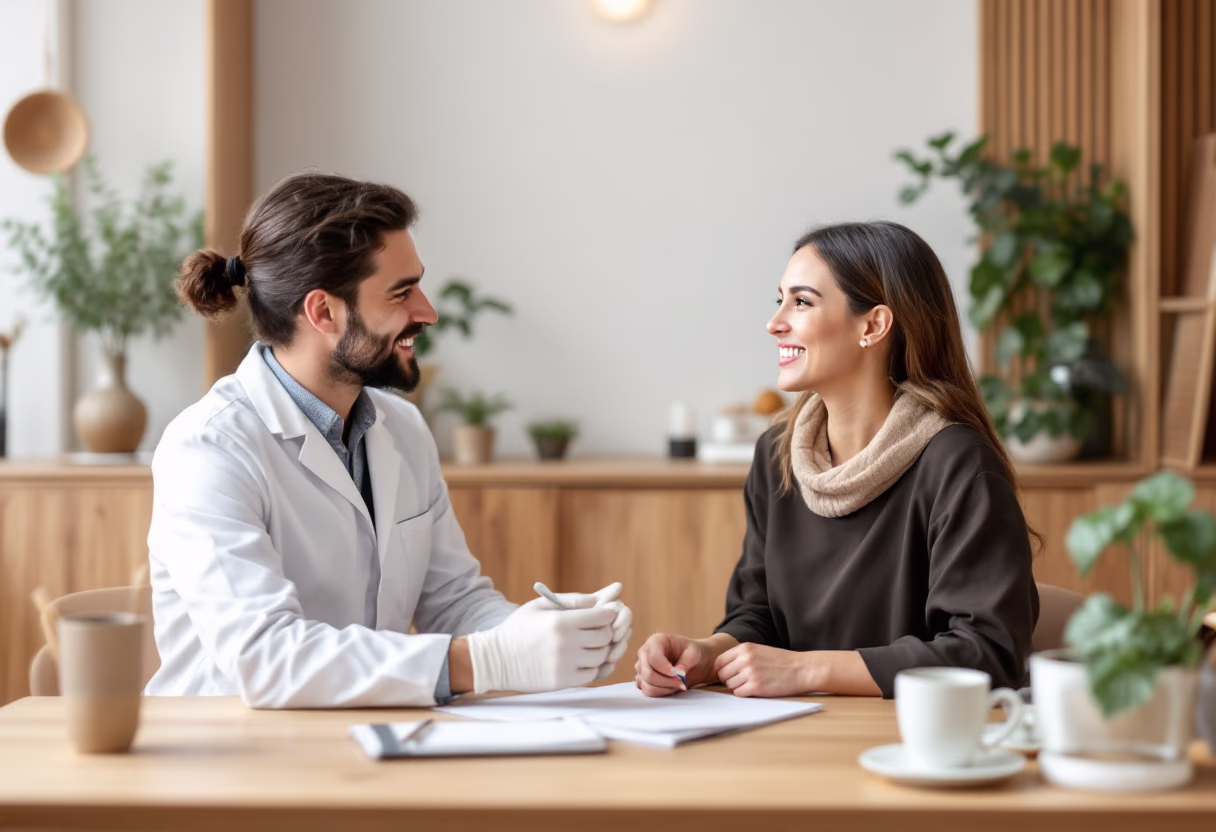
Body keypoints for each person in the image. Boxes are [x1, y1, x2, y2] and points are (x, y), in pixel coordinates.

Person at [147, 172, 631, 708]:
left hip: (371, 743)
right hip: (236, 764)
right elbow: (266, 659)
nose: (427, 311)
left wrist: (537, 631)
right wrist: (492, 659)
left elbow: (452, 600)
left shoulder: (402, 429)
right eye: (401, 292)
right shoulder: (209, 448)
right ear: (323, 312)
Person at [636, 221, 1038, 699]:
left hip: (906, 741)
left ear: (873, 325)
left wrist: (808, 671)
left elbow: (988, 652)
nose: (775, 322)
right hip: (792, 737)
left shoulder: (957, 461)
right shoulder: (778, 454)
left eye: (801, 302)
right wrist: (706, 654)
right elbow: (759, 615)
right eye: (780, 300)